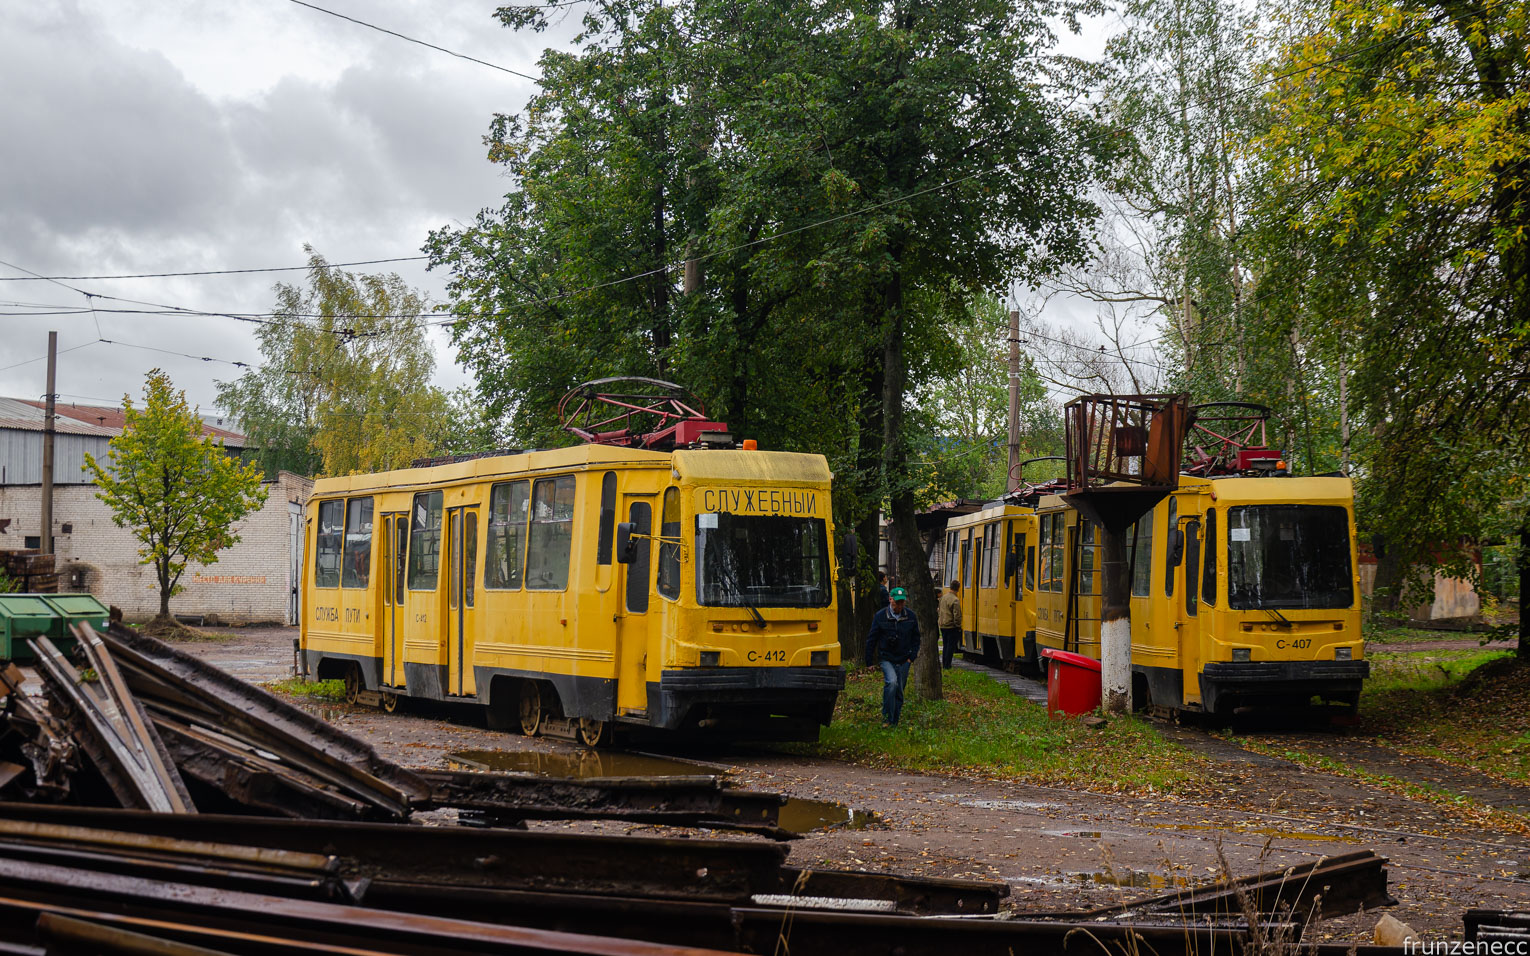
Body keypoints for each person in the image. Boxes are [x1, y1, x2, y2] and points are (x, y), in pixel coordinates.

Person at [865, 586, 921, 727]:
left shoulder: (911, 616)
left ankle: (894, 720)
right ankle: (887, 717)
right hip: (886, 657)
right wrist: (869, 661)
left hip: (904, 659)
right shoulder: (880, 616)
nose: (900, 605)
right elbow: (872, 639)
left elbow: (916, 638)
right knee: (892, 683)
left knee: (899, 690)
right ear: (890, 600)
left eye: (902, 602)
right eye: (897, 602)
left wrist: (911, 657)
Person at [938, 579, 962, 670]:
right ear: (958, 588)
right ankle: (947, 665)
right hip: (951, 626)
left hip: (943, 625)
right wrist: (958, 625)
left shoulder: (943, 598)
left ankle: (944, 663)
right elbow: (957, 615)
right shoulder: (955, 600)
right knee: (950, 647)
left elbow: (939, 610)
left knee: (945, 645)